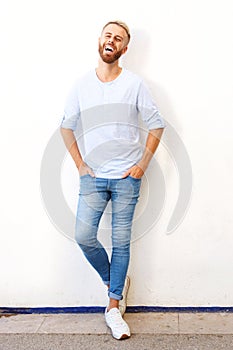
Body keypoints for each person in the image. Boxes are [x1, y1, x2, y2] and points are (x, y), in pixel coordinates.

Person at [60, 20, 165, 340]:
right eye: (108, 35)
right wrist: (80, 165)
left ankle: (113, 307)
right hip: (93, 176)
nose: (112, 41)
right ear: (100, 41)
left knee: (121, 243)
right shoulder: (81, 85)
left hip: (125, 178)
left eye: (119, 39)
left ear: (124, 49)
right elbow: (66, 126)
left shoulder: (134, 84)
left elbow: (156, 124)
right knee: (83, 235)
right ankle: (115, 281)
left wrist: (142, 165)